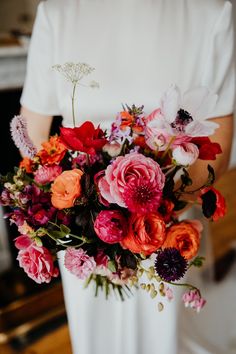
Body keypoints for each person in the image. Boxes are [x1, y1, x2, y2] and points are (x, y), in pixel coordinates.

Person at [20, 1, 235, 353]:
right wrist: (77, 204)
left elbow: (220, 139)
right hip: (84, 222)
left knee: (164, 332)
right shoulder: (57, 12)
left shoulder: (212, 11)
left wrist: (156, 209)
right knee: (93, 335)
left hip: (166, 222)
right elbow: (32, 133)